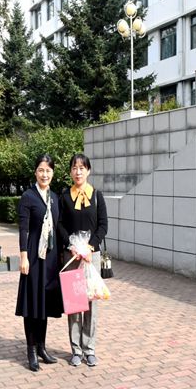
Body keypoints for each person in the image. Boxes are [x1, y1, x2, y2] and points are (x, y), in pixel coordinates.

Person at [58, 153, 108, 367]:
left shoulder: (97, 196)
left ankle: (90, 349)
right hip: (71, 255)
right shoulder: (64, 197)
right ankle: (76, 350)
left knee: (90, 302)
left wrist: (89, 246)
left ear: (88, 170)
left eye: (82, 168)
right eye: (74, 168)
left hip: (91, 256)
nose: (78, 172)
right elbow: (60, 224)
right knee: (74, 302)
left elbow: (103, 226)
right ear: (70, 171)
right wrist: (72, 246)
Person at [15, 154, 63, 372]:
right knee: (32, 304)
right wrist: (23, 256)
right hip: (34, 256)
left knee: (44, 304)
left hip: (50, 259)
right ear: (35, 172)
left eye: (48, 170)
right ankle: (31, 351)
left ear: (53, 173)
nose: (45, 174)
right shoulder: (28, 196)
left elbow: (58, 227)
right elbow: (23, 229)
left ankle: (42, 348)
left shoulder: (55, 197)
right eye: (41, 170)